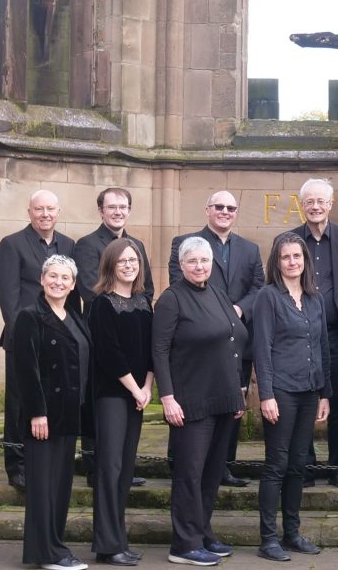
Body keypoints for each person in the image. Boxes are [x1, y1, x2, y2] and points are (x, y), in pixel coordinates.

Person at [154, 236, 248, 567]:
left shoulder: (218, 294)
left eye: (204, 261)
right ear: (181, 265)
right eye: (192, 261)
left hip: (224, 398)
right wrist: (167, 397)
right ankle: (184, 544)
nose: (199, 266)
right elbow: (160, 351)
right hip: (190, 401)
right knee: (189, 475)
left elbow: (234, 341)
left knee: (210, 474)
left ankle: (203, 532)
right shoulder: (171, 299)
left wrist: (238, 392)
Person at [169, 191, 263, 488]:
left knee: (232, 404)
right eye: (219, 206)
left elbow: (258, 286)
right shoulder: (185, 245)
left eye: (231, 208)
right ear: (207, 209)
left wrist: (237, 310)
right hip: (198, 344)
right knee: (193, 411)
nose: (225, 211)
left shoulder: (250, 249)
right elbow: (177, 282)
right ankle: (181, 464)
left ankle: (224, 466)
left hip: (237, 342)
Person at [254, 233, 332, 561]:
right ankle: (268, 538)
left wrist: (326, 393)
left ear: (305, 260)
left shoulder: (315, 298)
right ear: (277, 261)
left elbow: (323, 347)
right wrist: (266, 395)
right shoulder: (268, 297)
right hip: (282, 391)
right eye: (285, 257)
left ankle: (292, 533)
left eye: (297, 256)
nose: (292, 262)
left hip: (309, 391)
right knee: (277, 464)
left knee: (299, 465)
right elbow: (262, 348)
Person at [13, 255, 91, 570]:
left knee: (60, 486)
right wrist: (36, 413)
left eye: (65, 278)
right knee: (43, 487)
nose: (58, 282)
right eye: (53, 276)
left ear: (73, 285)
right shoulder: (29, 316)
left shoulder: (74, 315)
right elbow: (26, 369)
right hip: (44, 417)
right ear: (42, 279)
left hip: (69, 414)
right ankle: (45, 552)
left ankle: (54, 546)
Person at [290, 178, 338, 489]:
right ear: (302, 205)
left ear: (331, 204)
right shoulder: (290, 239)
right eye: (309, 201)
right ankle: (305, 465)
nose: (315, 206)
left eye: (321, 201)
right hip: (300, 334)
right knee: (304, 398)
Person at [0, 190, 76, 491]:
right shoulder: (12, 244)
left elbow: (70, 294)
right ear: (29, 212)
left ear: (58, 212)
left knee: (51, 400)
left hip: (58, 338)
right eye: (39, 209)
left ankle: (44, 459)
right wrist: (23, 338)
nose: (45, 214)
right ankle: (17, 465)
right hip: (24, 338)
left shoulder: (67, 244)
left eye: (51, 209)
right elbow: (9, 298)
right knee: (19, 402)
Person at [75, 187, 154, 489]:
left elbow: (147, 288)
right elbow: (88, 289)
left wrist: (137, 308)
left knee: (128, 414)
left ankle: (123, 469)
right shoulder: (86, 245)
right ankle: (97, 468)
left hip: (132, 335)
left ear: (129, 211)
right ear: (101, 211)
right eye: (112, 207)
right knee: (99, 406)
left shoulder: (137, 245)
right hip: (101, 332)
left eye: (123, 206)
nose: (118, 211)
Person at [89, 238, 154, 567]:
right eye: (123, 261)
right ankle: (106, 543)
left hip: (137, 395)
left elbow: (151, 350)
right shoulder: (102, 303)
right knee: (110, 468)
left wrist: (147, 386)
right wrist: (133, 388)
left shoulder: (144, 302)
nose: (130, 265)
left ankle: (117, 542)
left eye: (134, 260)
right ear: (110, 265)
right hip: (113, 396)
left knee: (126, 469)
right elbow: (108, 353)